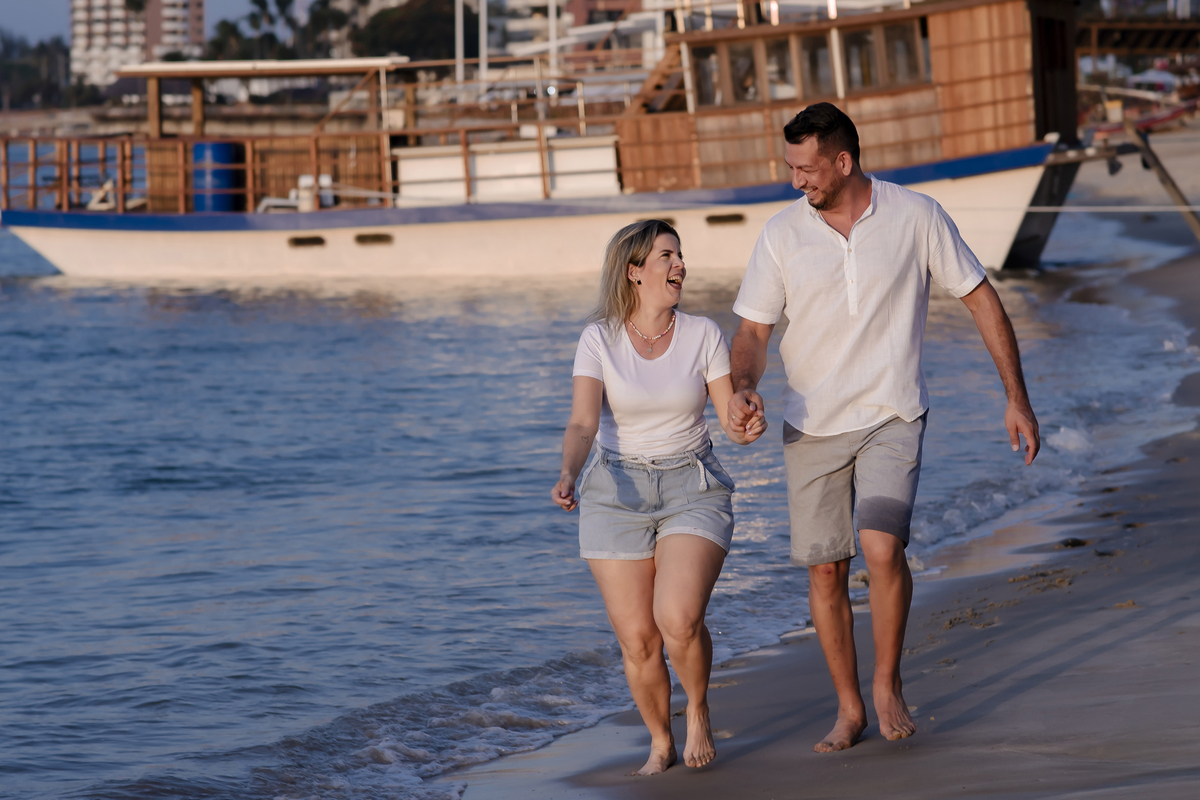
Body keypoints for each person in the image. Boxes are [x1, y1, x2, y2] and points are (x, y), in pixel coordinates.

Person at [727, 103, 1040, 753]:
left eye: (808, 169)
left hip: (892, 412)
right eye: (790, 168)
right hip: (809, 422)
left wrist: (1017, 398)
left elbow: (980, 297)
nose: (797, 182)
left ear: (844, 162)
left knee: (879, 547)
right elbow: (754, 330)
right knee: (823, 570)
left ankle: (887, 682)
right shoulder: (782, 233)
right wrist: (744, 384)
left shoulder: (916, 216)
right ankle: (848, 709)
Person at [552, 219, 766, 775]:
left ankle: (696, 708)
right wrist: (569, 472)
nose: (680, 266)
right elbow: (582, 422)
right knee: (638, 640)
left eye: (679, 255)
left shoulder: (702, 334)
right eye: (667, 256)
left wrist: (745, 421)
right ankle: (659, 741)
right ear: (635, 271)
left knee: (677, 619)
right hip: (614, 491)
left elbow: (728, 416)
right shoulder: (599, 338)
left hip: (690, 485)